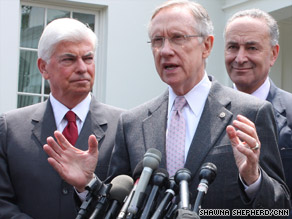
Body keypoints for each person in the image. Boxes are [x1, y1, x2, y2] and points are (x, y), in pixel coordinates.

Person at [43, 0, 291, 215]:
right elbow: (115, 206)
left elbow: (279, 208)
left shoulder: (251, 112)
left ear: (206, 46)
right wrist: (87, 184)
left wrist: (253, 179)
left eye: (177, 38)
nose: (165, 50)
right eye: (157, 41)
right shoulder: (132, 122)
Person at [0, 18, 123, 219]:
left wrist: (87, 187)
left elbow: (130, 205)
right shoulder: (10, 128)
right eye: (69, 59)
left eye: (88, 58)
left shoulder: (124, 126)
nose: (82, 68)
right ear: (43, 68)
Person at [224, 8, 292, 205]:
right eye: (233, 47)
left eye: (252, 48)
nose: (240, 58)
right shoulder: (204, 112)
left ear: (273, 54)